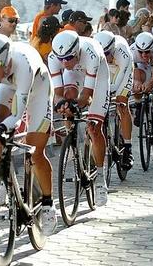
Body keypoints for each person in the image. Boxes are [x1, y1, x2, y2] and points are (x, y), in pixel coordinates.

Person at [0, 33, 56, 235]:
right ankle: (1, 179)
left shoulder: (23, 63)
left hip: (37, 88)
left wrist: (3, 127)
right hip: (8, 86)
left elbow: (17, 116)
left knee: (35, 150)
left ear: (6, 60)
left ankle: (48, 205)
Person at [48, 30, 110, 207]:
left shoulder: (90, 54)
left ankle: (100, 180)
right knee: (68, 97)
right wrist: (63, 105)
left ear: (77, 52)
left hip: (98, 77)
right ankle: (72, 138)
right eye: (62, 59)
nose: (64, 62)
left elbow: (87, 96)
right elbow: (58, 94)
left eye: (68, 57)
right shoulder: (55, 58)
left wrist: (78, 105)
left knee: (93, 128)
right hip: (75, 74)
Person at [94, 31, 134, 169]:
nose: (104, 56)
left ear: (112, 49)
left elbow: (116, 85)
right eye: (102, 54)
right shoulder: (96, 53)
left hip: (122, 68)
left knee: (122, 103)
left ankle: (128, 147)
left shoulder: (122, 53)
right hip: (107, 68)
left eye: (106, 54)